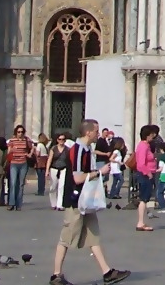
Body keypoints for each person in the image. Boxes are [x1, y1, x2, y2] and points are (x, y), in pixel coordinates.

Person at [50, 119, 130, 285]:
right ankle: (56, 275)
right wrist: (99, 172)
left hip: (85, 201)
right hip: (76, 200)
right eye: (96, 131)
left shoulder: (86, 149)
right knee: (66, 237)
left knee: (93, 236)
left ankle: (107, 272)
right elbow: (78, 178)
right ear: (88, 132)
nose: (98, 134)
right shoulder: (78, 150)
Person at [133, 125, 159, 232]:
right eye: (152, 134)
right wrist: (148, 173)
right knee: (144, 199)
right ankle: (140, 222)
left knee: (145, 199)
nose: (154, 136)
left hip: (148, 173)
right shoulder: (143, 146)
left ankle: (141, 221)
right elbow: (141, 164)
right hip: (145, 175)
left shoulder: (146, 145)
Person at [6, 124, 33, 211]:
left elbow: (32, 147)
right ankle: (11, 203)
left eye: (21, 132)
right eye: (18, 132)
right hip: (14, 163)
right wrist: (12, 149)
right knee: (13, 183)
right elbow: (8, 151)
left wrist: (29, 154)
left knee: (21, 184)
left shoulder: (26, 140)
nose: (20, 133)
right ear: (16, 132)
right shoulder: (12, 140)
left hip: (23, 163)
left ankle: (19, 204)